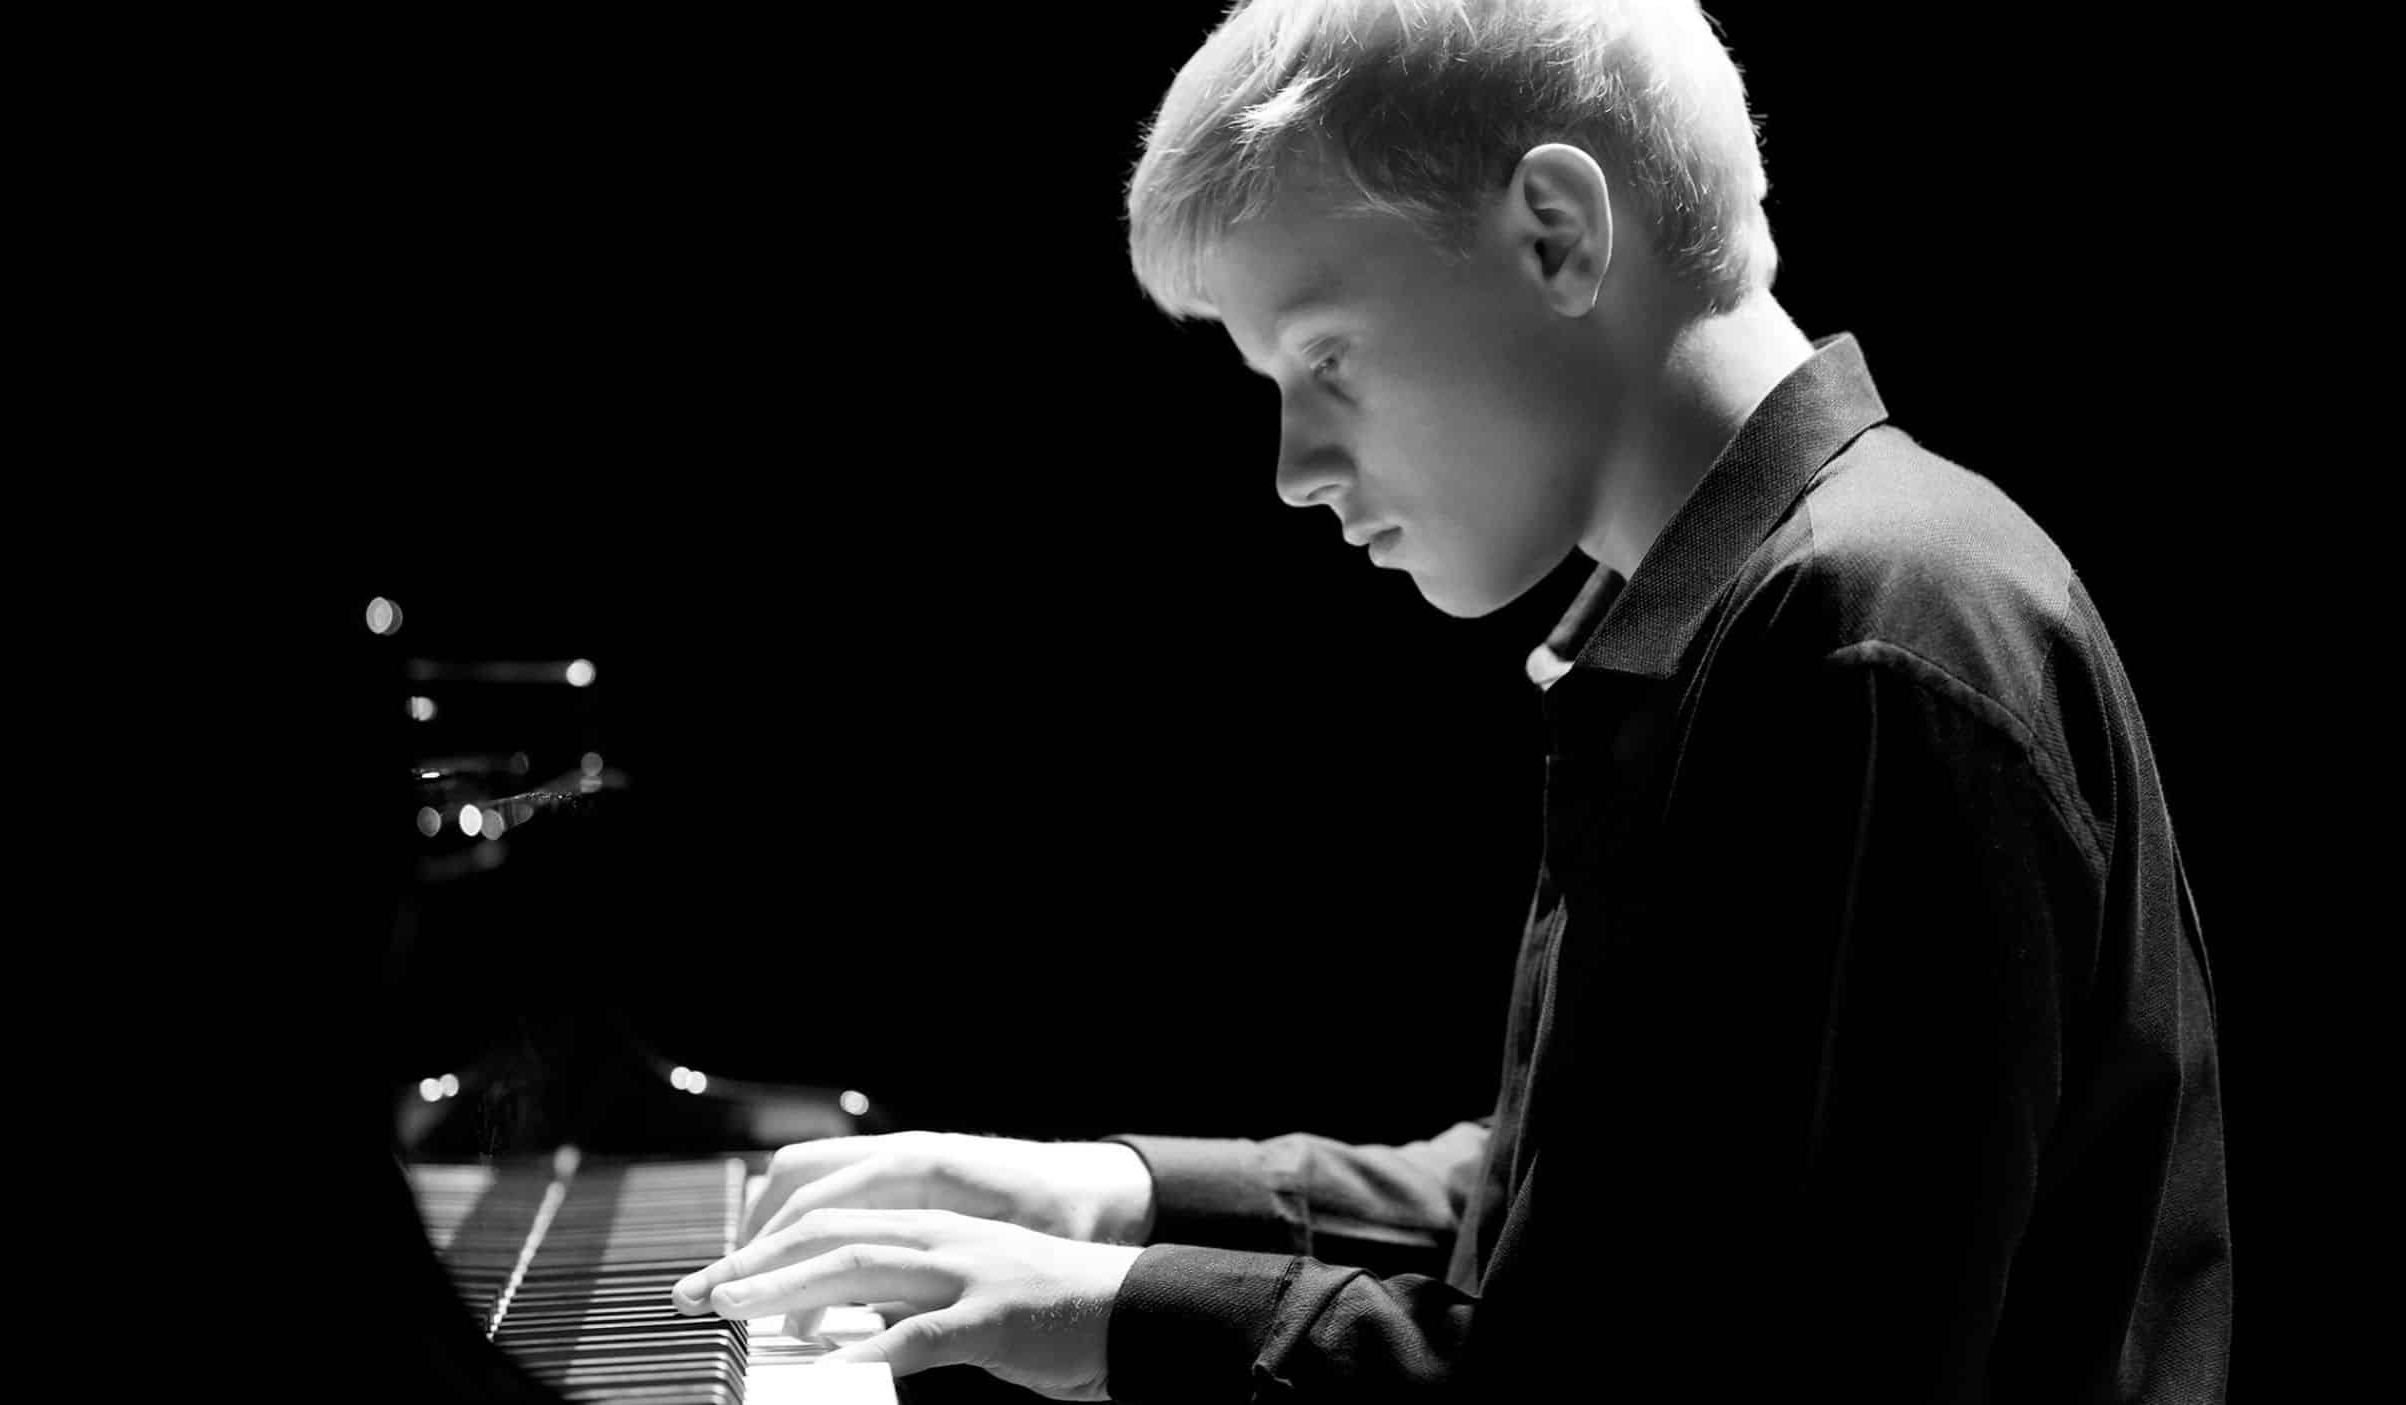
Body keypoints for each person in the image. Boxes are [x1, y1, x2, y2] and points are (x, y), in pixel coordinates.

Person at [668, 1, 2231, 1398]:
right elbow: (1601, 1209)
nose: (1293, 469)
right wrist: (1124, 1198)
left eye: (1326, 357)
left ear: (1555, 230)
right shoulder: (1747, 616)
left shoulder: (1874, 637)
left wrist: (1135, 1312)